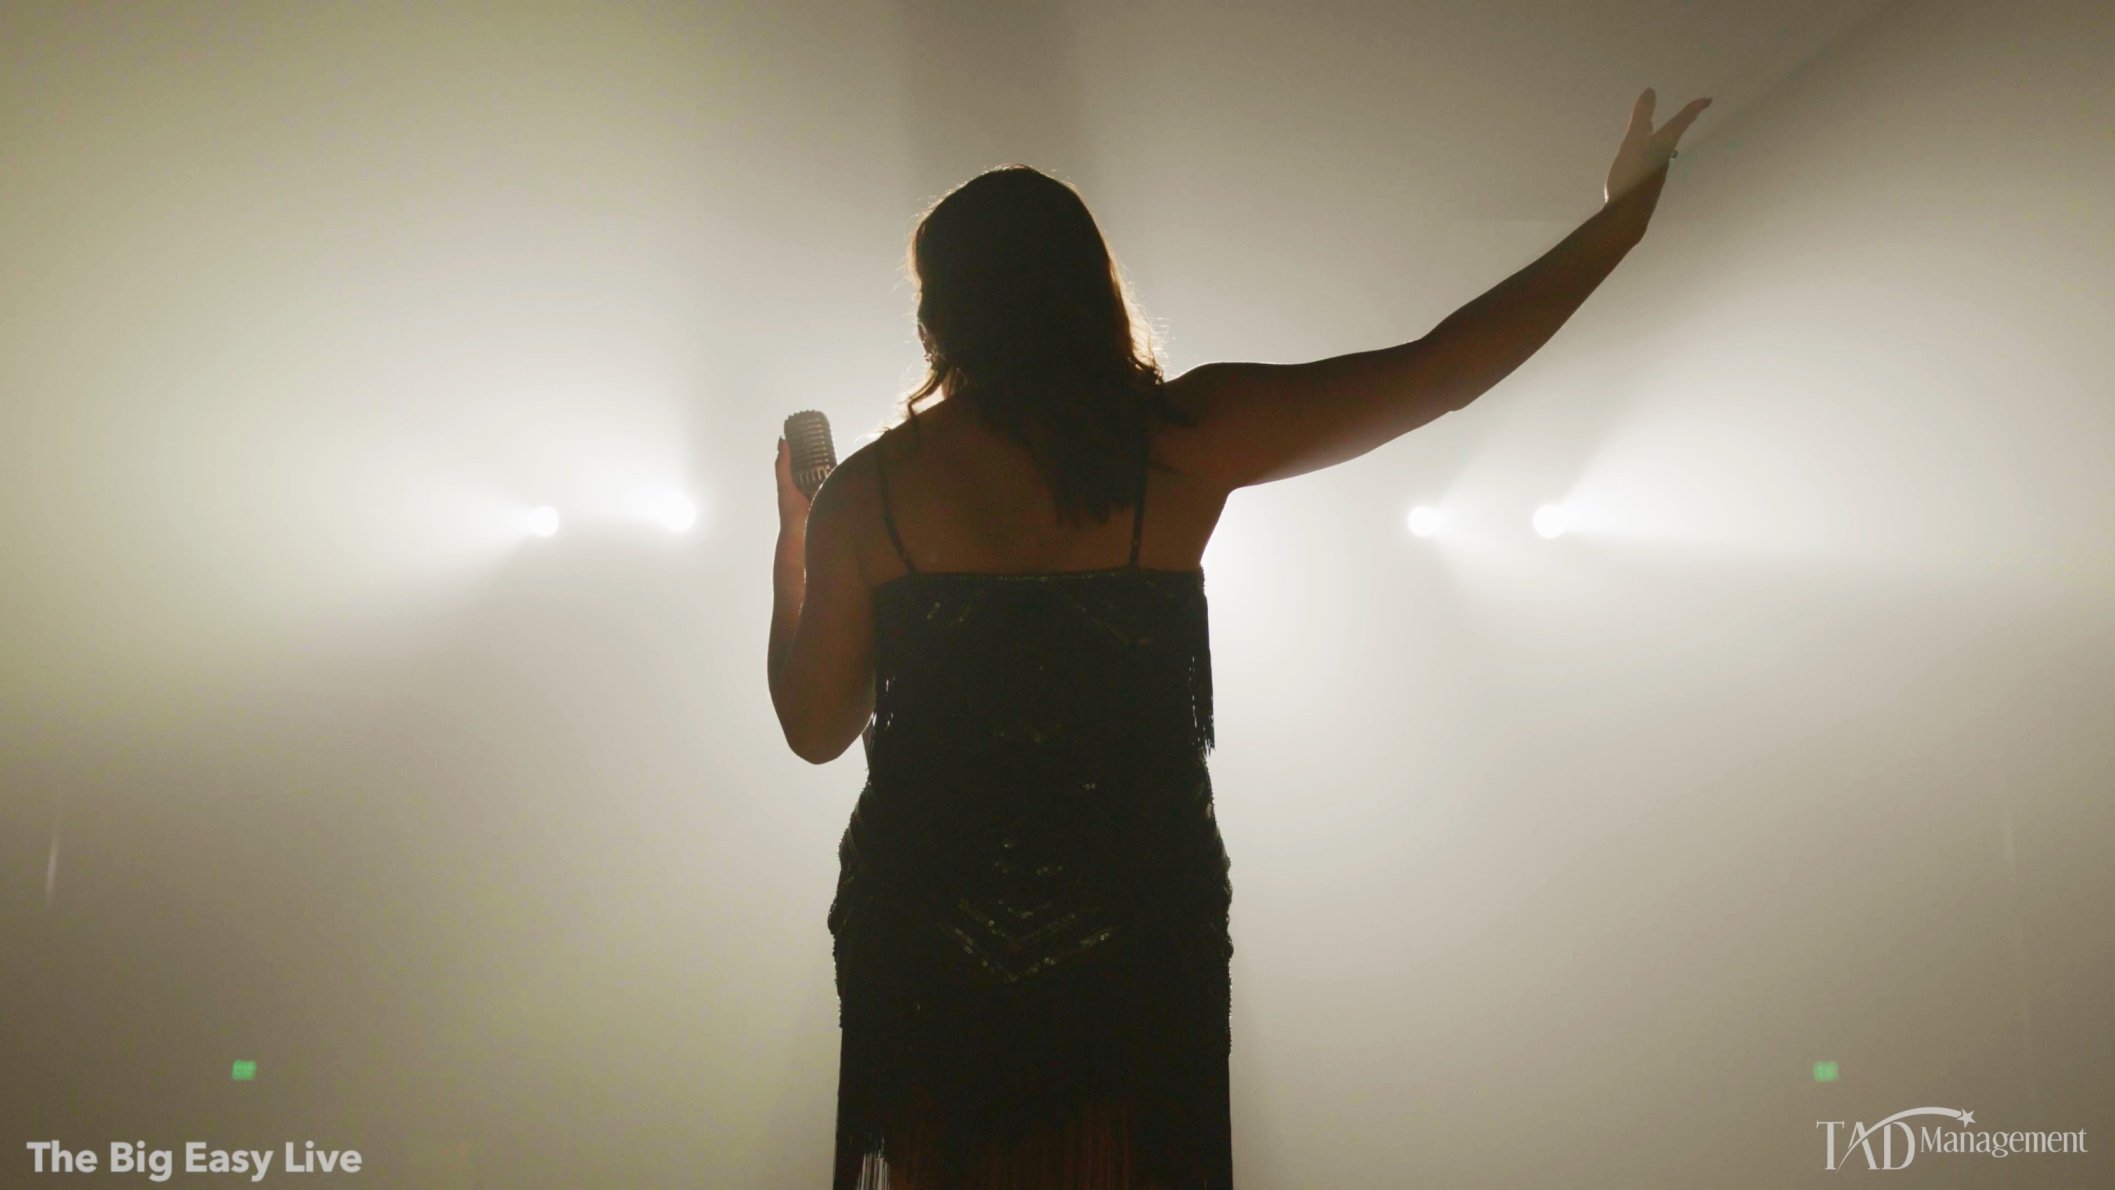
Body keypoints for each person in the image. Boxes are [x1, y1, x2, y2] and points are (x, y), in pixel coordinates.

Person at [768, 86, 1710, 1189]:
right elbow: (1439, 371)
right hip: (1138, 920)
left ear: (942, 313)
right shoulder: (1179, 440)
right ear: (1087, 290)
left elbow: (816, 726)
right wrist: (1618, 222)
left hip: (921, 933)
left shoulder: (872, 492)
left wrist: (797, 536)